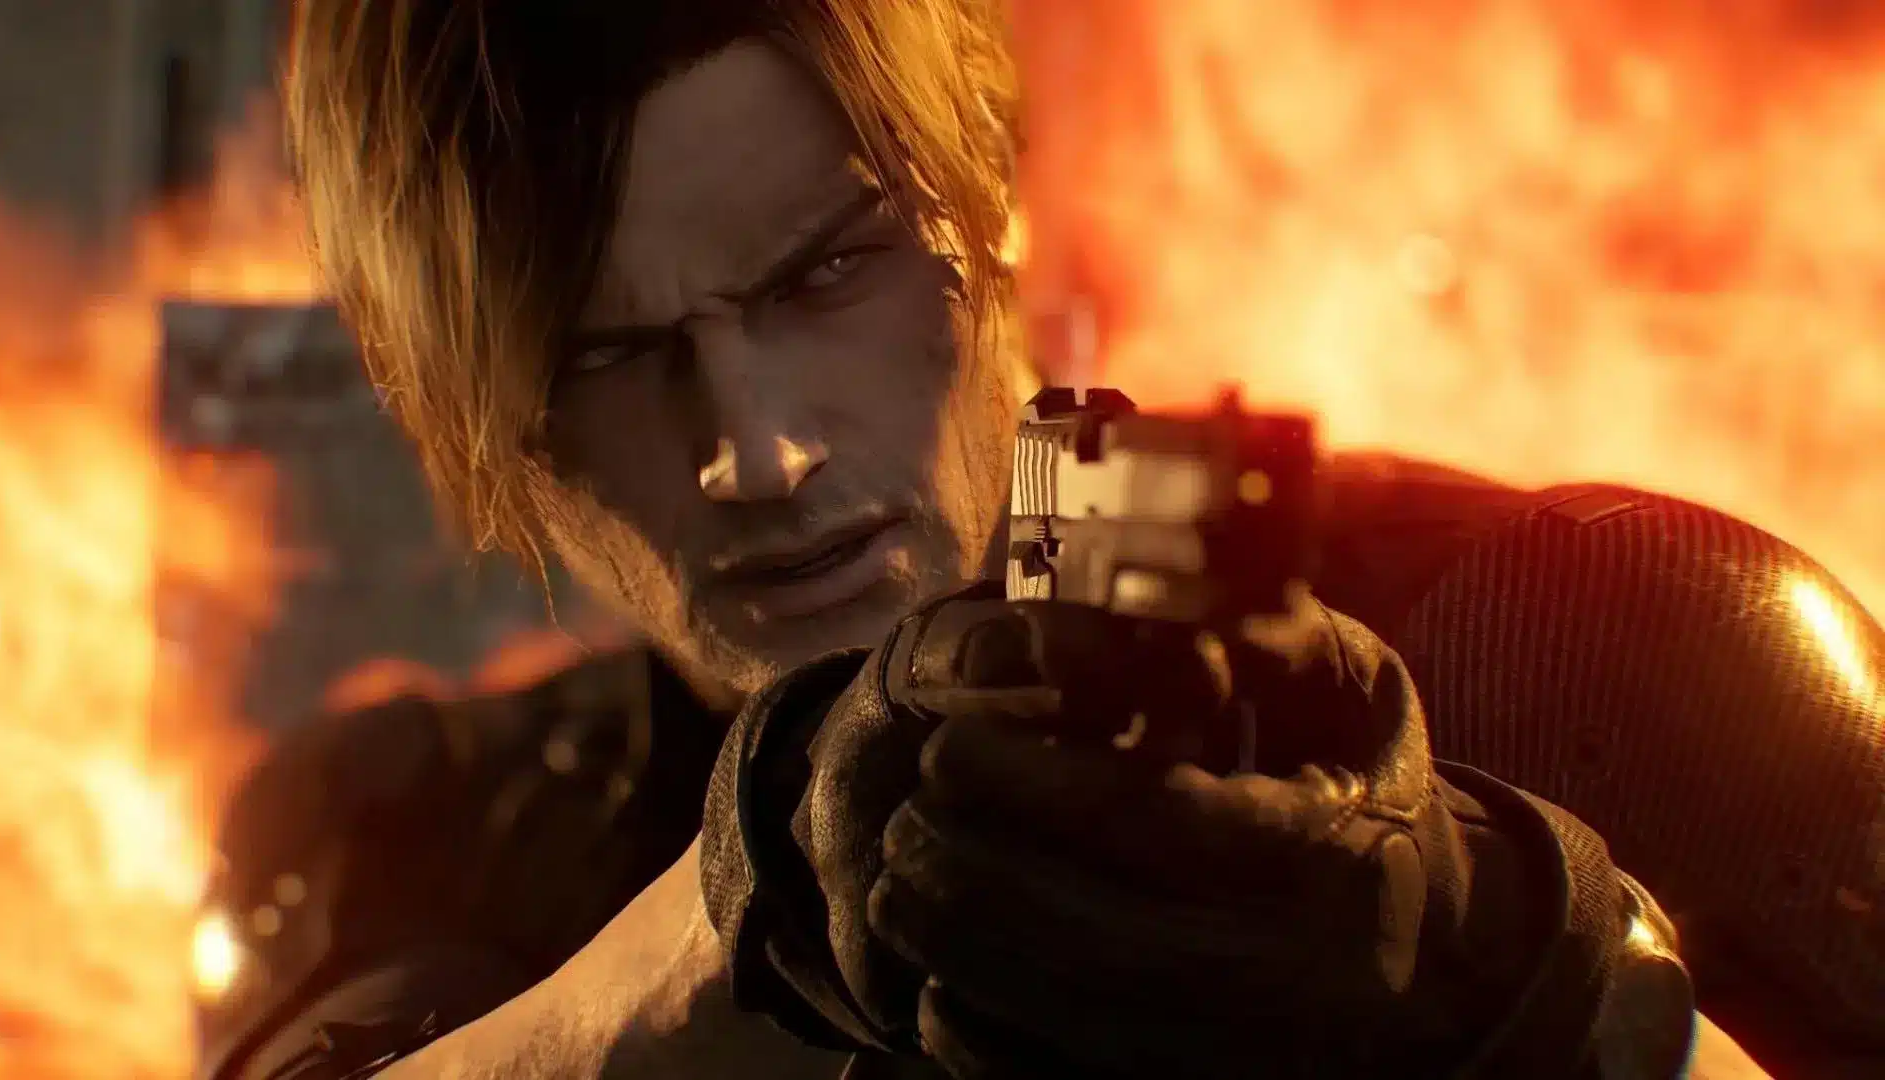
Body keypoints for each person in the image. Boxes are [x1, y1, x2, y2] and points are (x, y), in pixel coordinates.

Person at [195, 2, 1883, 1077]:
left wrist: (1521, 969)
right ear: (470, 412)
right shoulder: (414, 831)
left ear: (987, 209)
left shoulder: (1588, 645)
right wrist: (745, 914)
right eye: (606, 358)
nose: (756, 452)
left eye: (827, 273)